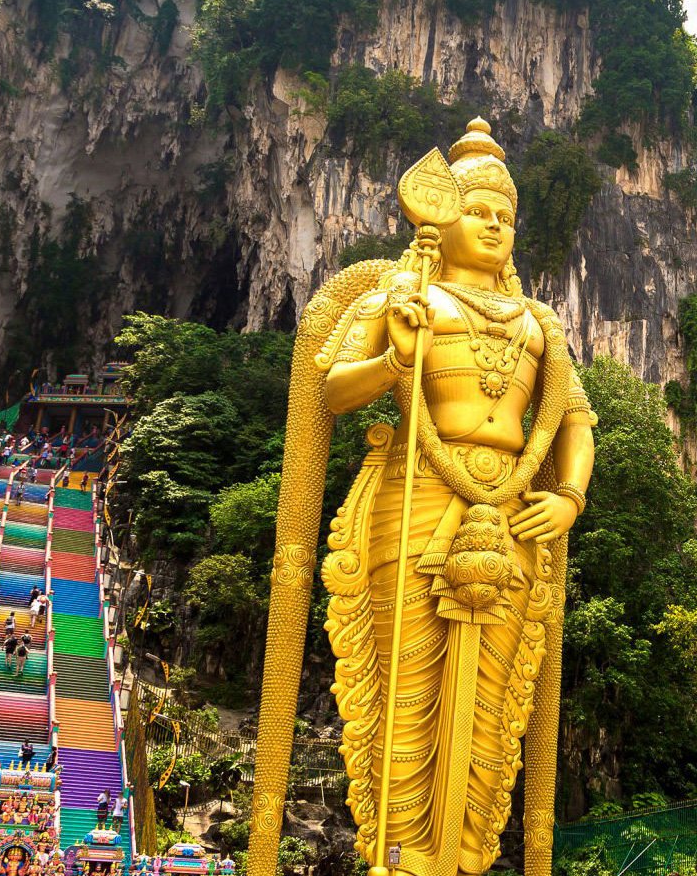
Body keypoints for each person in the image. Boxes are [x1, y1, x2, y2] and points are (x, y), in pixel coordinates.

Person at [247, 119, 596, 876]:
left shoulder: (543, 325)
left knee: (494, 703)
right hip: (415, 496)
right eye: (481, 211)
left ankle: (465, 857)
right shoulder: (405, 292)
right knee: (407, 691)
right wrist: (394, 356)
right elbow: (332, 384)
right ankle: (400, 858)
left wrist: (566, 496)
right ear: (442, 216)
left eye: (508, 217)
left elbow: (574, 421)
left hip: (509, 515)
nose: (498, 225)